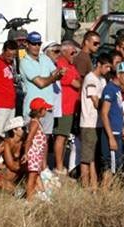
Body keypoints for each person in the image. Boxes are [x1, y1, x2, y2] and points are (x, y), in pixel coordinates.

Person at [79, 54, 112, 189]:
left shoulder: (102, 80)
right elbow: (95, 100)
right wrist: (106, 111)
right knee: (87, 157)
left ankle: (93, 185)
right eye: (106, 66)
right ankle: (86, 185)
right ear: (98, 64)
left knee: (93, 157)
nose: (108, 69)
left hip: (98, 123)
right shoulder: (90, 79)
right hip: (89, 123)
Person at [99, 62, 124, 190]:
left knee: (115, 165)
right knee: (110, 166)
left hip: (117, 132)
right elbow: (104, 113)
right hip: (111, 133)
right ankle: (105, 194)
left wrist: (122, 129)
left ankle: (109, 192)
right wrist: (111, 137)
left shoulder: (118, 90)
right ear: (118, 75)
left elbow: (117, 112)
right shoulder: (110, 89)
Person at [20, 32, 63, 134]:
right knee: (32, 140)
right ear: (27, 44)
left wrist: (61, 73)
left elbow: (56, 73)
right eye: (34, 44)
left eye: (39, 44)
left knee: (45, 141)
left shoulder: (45, 58)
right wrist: (54, 77)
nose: (37, 46)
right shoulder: (24, 62)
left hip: (47, 106)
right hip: (33, 109)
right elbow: (41, 83)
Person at [51, 40, 82, 173]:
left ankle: (61, 163)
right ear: (64, 52)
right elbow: (76, 83)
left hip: (70, 107)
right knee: (61, 137)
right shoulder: (62, 64)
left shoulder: (71, 65)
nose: (74, 55)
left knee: (65, 138)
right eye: (72, 52)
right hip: (64, 106)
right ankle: (58, 166)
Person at [22, 98, 53, 199]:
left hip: (37, 155)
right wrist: (26, 154)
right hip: (33, 155)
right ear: (39, 111)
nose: (46, 111)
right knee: (32, 177)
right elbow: (29, 139)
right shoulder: (35, 123)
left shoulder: (37, 122)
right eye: (44, 109)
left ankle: (43, 196)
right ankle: (29, 199)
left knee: (36, 175)